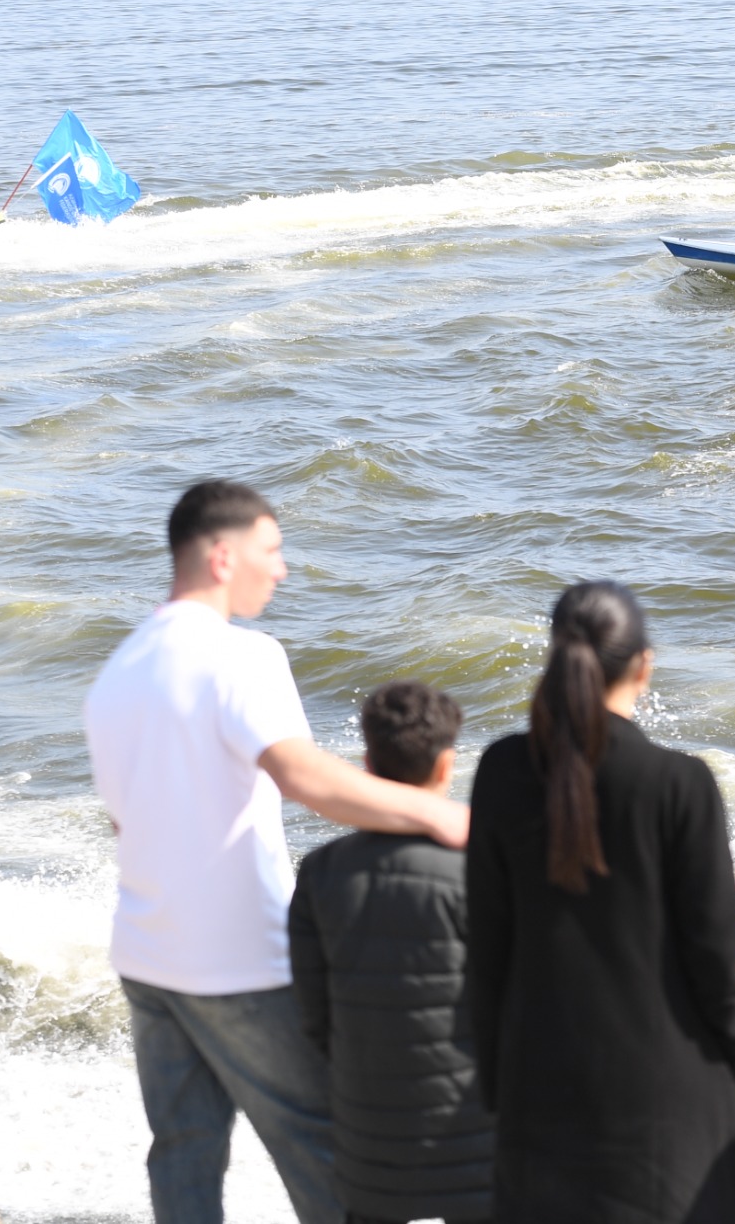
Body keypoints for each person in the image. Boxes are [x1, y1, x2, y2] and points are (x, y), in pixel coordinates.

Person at [85, 480, 467, 1224]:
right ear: (223, 556)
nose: (282, 569)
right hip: (238, 964)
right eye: (272, 550)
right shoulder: (242, 656)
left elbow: (123, 823)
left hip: (145, 955)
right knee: (327, 1144)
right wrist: (440, 815)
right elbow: (302, 777)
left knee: (184, 1152)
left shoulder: (117, 672)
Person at [464, 582, 735, 1224]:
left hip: (537, 1088)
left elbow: (485, 946)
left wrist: (495, 1078)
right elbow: (714, 948)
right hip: (667, 1100)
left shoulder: (501, 771)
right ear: (643, 665)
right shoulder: (678, 783)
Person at [291, 682, 494, 1224]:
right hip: (474, 1133)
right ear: (447, 765)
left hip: (367, 1133)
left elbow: (312, 1013)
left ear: (366, 763)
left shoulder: (321, 872)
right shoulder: (480, 870)